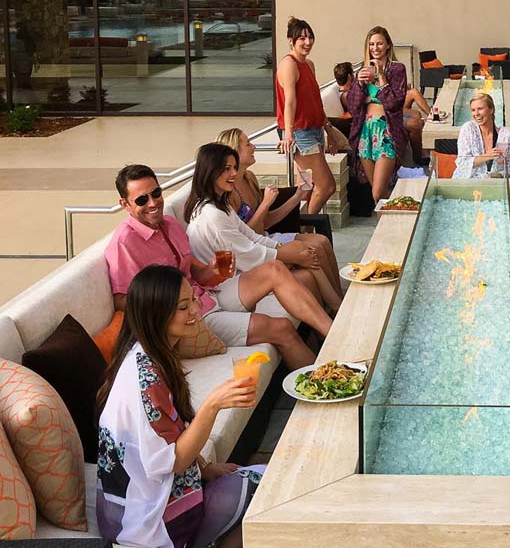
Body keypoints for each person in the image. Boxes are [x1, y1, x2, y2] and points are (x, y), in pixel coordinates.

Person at [97, 265, 264, 548]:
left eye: (194, 301)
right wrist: (213, 404)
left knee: (260, 479)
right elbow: (173, 459)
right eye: (184, 306)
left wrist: (206, 467)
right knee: (265, 490)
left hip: (139, 498)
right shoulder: (146, 378)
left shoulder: (151, 355)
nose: (196, 311)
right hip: (148, 515)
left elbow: (171, 430)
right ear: (156, 314)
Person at [105, 163, 329, 368]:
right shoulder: (124, 242)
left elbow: (192, 275)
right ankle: (323, 385)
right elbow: (122, 300)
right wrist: (174, 305)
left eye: (156, 193)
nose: (153, 203)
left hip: (207, 295)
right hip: (189, 318)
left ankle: (332, 333)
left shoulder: (170, 224)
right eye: (142, 200)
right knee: (282, 328)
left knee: (275, 269)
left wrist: (211, 270)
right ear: (125, 204)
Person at [185, 143, 343, 315]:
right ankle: (335, 309)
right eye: (227, 168)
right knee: (307, 256)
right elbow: (246, 248)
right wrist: (286, 252)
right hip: (229, 278)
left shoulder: (229, 199)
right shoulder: (215, 211)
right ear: (211, 171)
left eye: (234, 168)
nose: (234, 173)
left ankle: (336, 306)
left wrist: (283, 248)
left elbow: (251, 236)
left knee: (306, 250)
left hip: (247, 255)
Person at [215, 127, 343, 301]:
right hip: (255, 247)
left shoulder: (249, 178)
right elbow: (245, 236)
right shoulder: (229, 192)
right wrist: (266, 202)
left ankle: (339, 298)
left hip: (266, 236)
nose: (254, 147)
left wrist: (297, 197)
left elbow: (266, 221)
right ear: (234, 152)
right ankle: (334, 305)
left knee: (322, 241)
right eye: (248, 144)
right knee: (316, 249)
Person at [275, 17, 342, 213]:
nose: (307, 42)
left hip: (314, 129)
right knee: (326, 186)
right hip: (300, 133)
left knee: (306, 187)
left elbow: (314, 101)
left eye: (310, 37)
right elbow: (290, 101)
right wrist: (288, 133)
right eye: (302, 38)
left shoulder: (308, 64)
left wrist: (328, 129)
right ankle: (308, 227)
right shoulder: (289, 65)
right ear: (291, 41)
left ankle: (298, 229)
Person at [345, 25, 409, 201]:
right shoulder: (363, 71)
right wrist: (358, 84)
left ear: (388, 45)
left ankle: (396, 219)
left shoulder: (397, 69)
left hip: (386, 132)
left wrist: (381, 77)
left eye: (379, 44)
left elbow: (395, 102)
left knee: (378, 192)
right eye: (371, 44)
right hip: (366, 132)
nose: (375, 48)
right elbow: (353, 105)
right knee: (378, 194)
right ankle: (397, 219)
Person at [453, 92, 510, 178]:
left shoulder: (506, 135)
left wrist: (498, 176)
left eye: (480, 109)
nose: (476, 113)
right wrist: (486, 156)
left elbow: (509, 168)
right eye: (473, 110)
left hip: (495, 185)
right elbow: (462, 163)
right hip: (467, 183)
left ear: (491, 110)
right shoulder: (468, 129)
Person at [403, 86, 431, 163]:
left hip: (392, 101)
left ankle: (431, 115)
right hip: (384, 108)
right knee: (415, 122)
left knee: (414, 92)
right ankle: (418, 156)